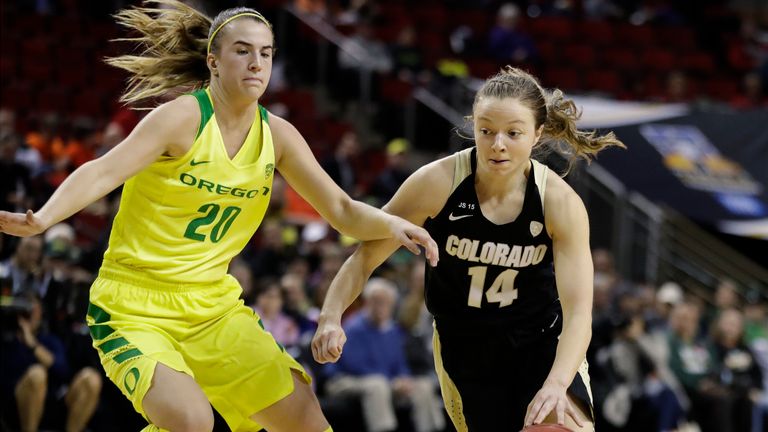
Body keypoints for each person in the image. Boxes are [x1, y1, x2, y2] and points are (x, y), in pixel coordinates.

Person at [0, 2, 438, 431]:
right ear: (213, 60)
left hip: (213, 305)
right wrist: (43, 218)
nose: (256, 63)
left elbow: (342, 210)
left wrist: (394, 225)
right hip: (134, 303)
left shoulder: (278, 134)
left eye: (266, 53)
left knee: (306, 419)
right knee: (192, 422)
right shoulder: (182, 117)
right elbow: (104, 170)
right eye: (242, 50)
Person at [313, 66, 625, 431]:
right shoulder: (436, 183)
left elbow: (578, 315)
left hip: (542, 342)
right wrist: (330, 316)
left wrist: (556, 383)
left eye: (513, 133)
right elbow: (365, 256)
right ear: (472, 125)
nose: (498, 144)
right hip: (465, 349)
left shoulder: (559, 202)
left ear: (538, 134)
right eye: (486, 131)